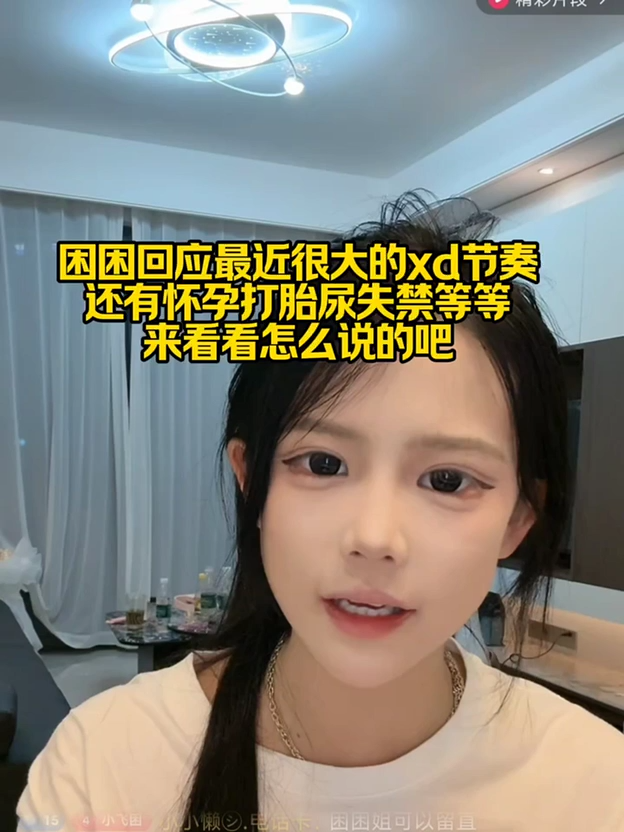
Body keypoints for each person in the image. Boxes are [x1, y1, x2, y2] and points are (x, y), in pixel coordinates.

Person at [17, 192, 624, 832]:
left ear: (519, 520)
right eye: (324, 464)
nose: (374, 538)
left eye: (447, 480)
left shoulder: (592, 783)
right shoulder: (104, 763)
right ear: (251, 482)